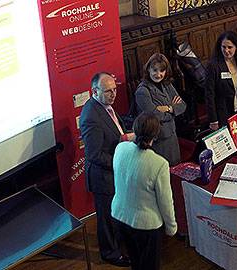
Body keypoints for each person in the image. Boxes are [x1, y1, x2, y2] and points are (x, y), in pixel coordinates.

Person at [111, 112, 177, 270]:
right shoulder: (159, 163)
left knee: (135, 262)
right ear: (156, 134)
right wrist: (171, 227)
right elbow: (165, 201)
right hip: (146, 226)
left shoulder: (120, 148)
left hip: (120, 217)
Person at [79, 72, 133, 267]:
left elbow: (116, 131)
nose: (113, 94)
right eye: (108, 91)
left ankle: (120, 246)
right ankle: (110, 254)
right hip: (103, 178)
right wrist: (121, 162)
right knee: (107, 220)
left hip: (113, 174)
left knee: (116, 215)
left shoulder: (105, 106)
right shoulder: (91, 116)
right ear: (94, 91)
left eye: (115, 89)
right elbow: (94, 155)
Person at [135, 53, 186, 166]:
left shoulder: (166, 85)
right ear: (148, 69)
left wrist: (167, 108)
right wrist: (172, 110)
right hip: (158, 141)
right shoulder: (142, 91)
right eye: (155, 70)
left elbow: (182, 106)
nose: (158, 74)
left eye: (162, 71)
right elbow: (154, 116)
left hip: (172, 137)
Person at [205, 31, 237, 130]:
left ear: (236, 47)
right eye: (223, 47)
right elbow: (209, 95)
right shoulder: (213, 66)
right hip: (222, 114)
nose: (226, 50)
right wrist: (213, 120)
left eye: (230, 47)